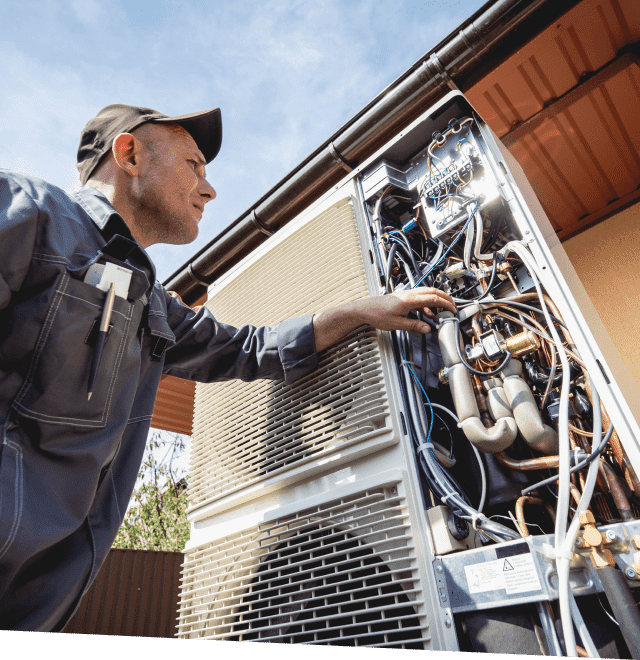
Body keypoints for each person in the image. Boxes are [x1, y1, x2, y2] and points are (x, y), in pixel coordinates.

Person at [0, 104, 455, 632]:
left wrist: (355, 312)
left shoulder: (152, 306)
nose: (209, 188)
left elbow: (247, 349)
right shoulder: (28, 211)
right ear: (128, 154)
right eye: (194, 164)